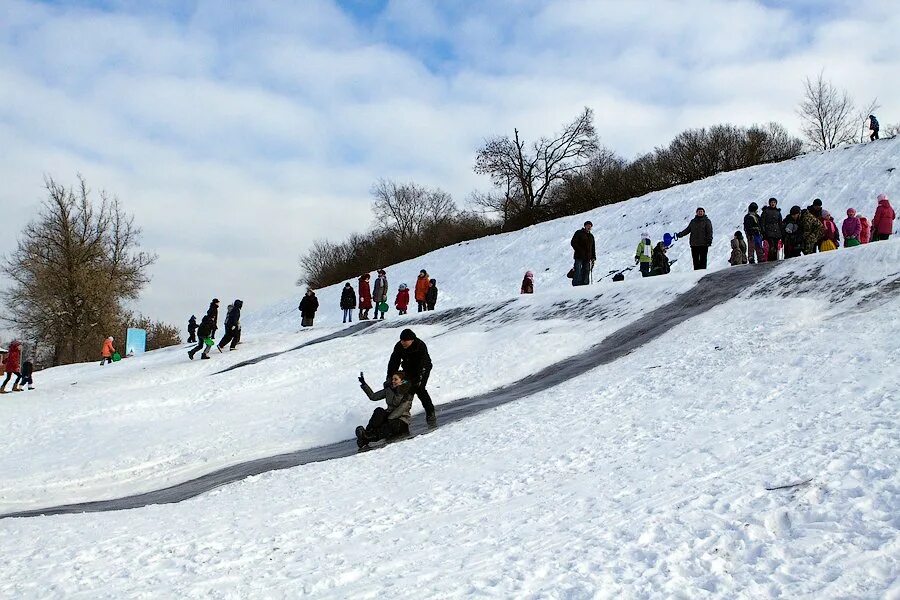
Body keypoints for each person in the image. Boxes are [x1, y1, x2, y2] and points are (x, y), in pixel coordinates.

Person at [387, 329, 435, 426]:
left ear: (412, 340)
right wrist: (390, 375)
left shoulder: (420, 346)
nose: (402, 342)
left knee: (419, 389)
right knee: (404, 388)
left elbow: (421, 364)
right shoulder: (399, 346)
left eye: (405, 341)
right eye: (401, 340)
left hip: (423, 368)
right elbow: (394, 361)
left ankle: (430, 412)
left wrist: (418, 379)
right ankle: (399, 414)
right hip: (408, 368)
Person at [354, 371, 413, 449]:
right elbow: (373, 396)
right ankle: (366, 433)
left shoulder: (407, 393)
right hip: (390, 416)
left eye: (395, 379)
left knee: (388, 425)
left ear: (402, 381)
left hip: (401, 420)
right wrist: (364, 384)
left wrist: (388, 419)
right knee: (379, 411)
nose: (393, 381)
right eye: (392, 379)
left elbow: (402, 408)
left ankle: (368, 437)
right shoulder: (389, 390)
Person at [570, 221, 596, 286]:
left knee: (586, 270)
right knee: (578, 270)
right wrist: (579, 250)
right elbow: (573, 242)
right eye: (588, 225)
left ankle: (585, 284)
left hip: (587, 257)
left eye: (590, 226)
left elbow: (593, 247)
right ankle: (576, 284)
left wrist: (593, 257)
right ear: (585, 226)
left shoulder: (591, 236)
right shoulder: (579, 233)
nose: (589, 227)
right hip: (579, 256)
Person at [760, 197, 783, 261]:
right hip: (768, 232)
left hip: (777, 232)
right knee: (771, 246)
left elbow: (780, 223)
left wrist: (781, 232)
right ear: (769, 203)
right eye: (772, 202)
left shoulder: (778, 212)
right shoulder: (766, 211)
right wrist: (763, 231)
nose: (773, 203)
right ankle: (770, 260)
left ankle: (775, 260)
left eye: (774, 202)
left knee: (776, 247)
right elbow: (762, 222)